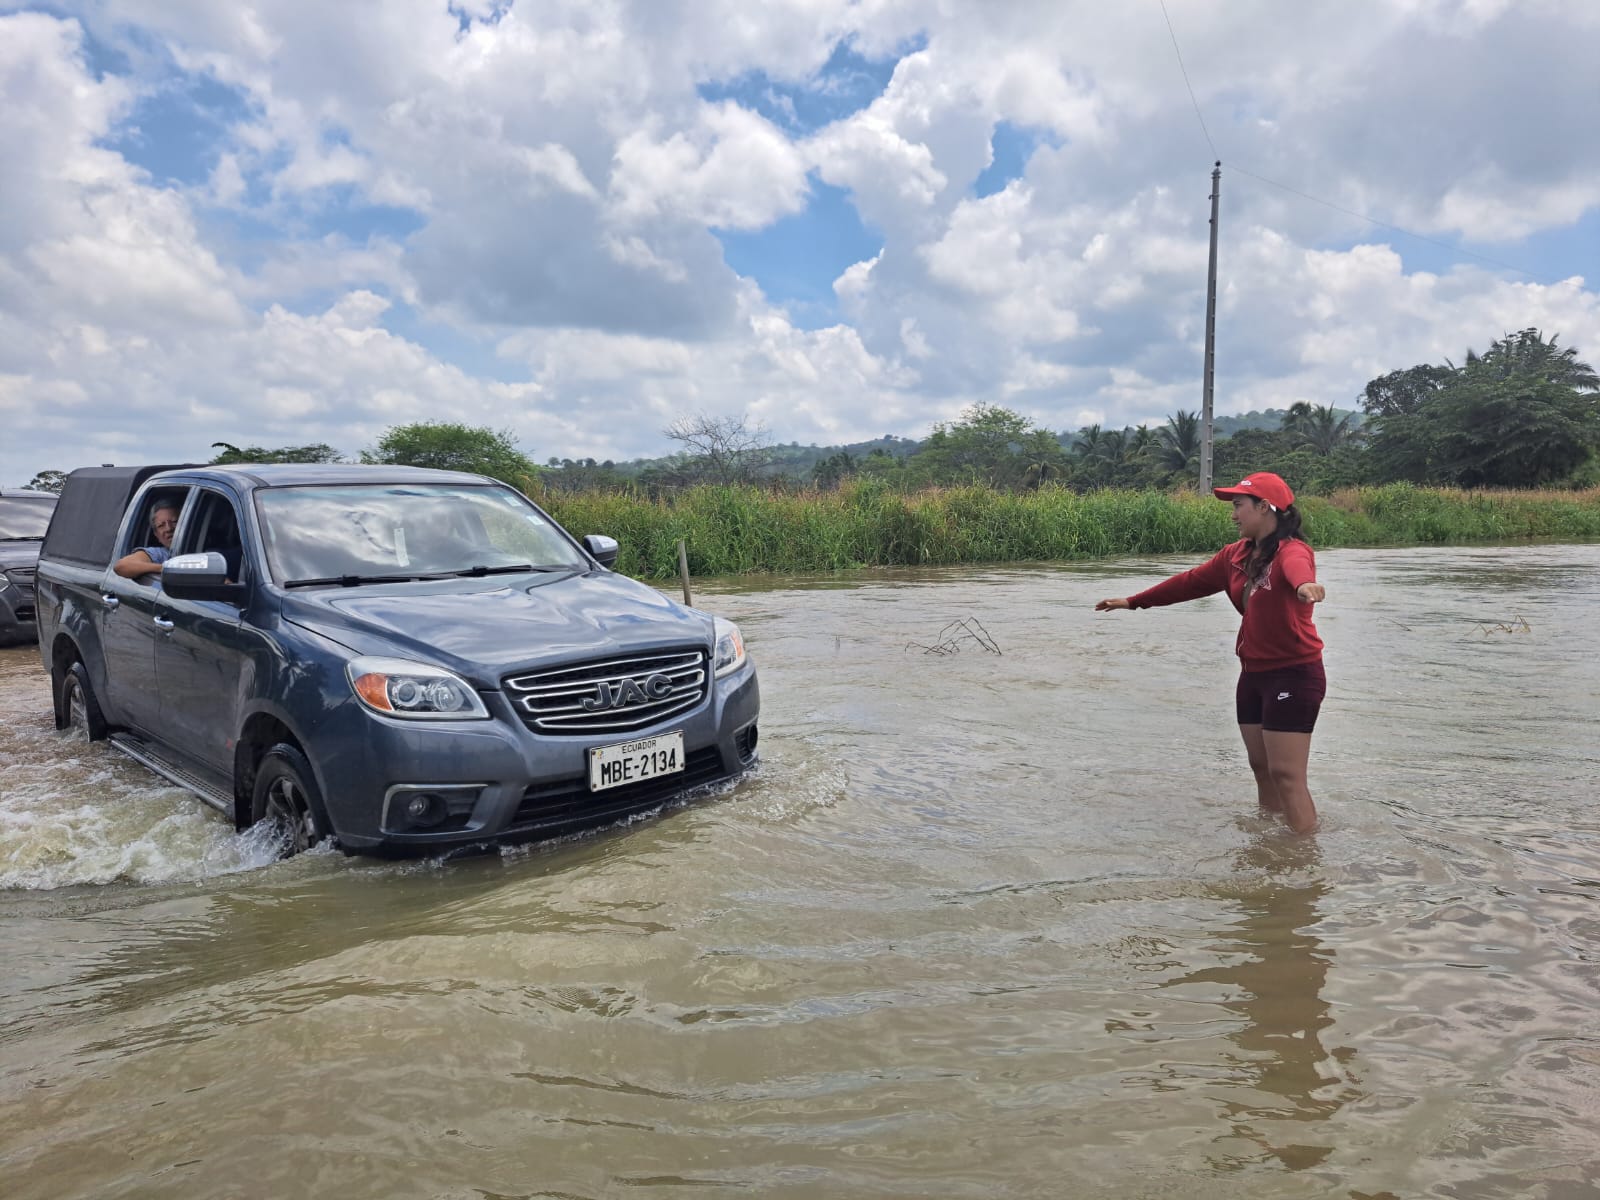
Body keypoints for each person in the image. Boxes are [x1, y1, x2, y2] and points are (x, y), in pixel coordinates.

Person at [1095, 471, 1327, 833]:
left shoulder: (1293, 552)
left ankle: (1306, 855)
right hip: (1253, 676)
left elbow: (1298, 570)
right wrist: (1133, 602)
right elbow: (1189, 582)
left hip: (1294, 674)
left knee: (1287, 774)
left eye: (1239, 506)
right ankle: (1270, 842)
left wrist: (1305, 586)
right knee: (1262, 769)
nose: (1233, 514)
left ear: (1265, 507)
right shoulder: (1236, 556)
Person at [114, 500, 180, 581]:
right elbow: (121, 566)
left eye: (174, 522)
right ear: (156, 535)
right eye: (161, 525)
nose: (169, 528)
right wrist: (165, 569)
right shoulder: (161, 554)